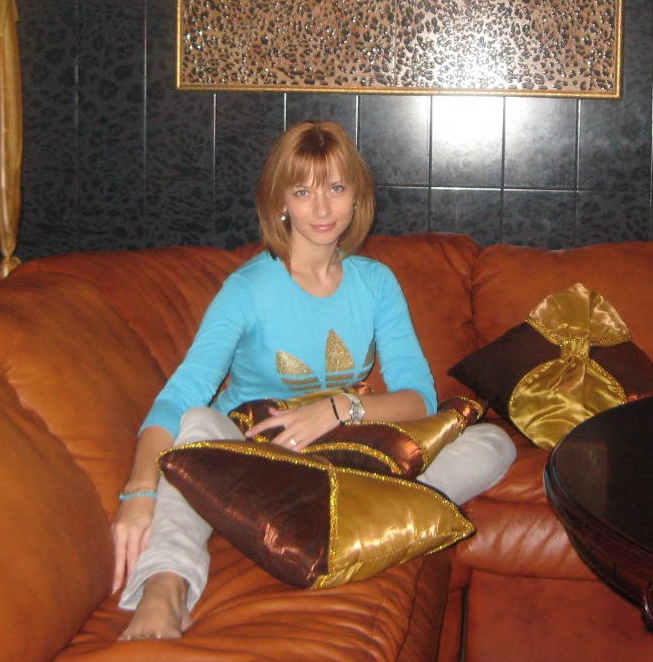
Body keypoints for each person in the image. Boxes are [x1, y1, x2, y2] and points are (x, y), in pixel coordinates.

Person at [111, 120, 516, 640]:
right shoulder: (246, 289)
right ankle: (166, 587)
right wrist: (139, 491)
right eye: (303, 192)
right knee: (197, 422)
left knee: (492, 443)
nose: (322, 209)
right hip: (257, 461)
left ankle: (334, 527)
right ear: (280, 201)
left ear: (357, 196)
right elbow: (181, 394)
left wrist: (338, 409)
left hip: (348, 457)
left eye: (336, 188)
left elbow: (420, 398)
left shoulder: (376, 283)